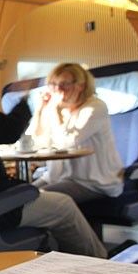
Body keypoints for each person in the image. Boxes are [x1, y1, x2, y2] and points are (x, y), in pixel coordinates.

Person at [0, 84, 107, 258]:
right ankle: (102, 263)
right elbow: (8, 131)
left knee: (40, 193)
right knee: (64, 205)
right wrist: (25, 99)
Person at [30, 63, 123, 203]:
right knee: (19, 198)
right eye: (53, 84)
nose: (58, 89)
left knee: (37, 200)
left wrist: (53, 109)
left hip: (91, 182)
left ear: (81, 85)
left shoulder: (95, 108)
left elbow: (67, 143)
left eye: (64, 84)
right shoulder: (61, 109)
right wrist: (40, 109)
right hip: (57, 177)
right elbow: (37, 142)